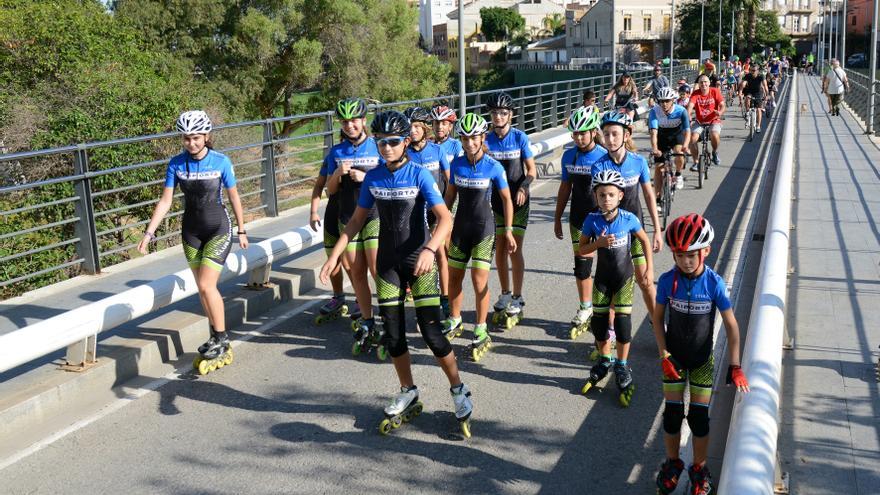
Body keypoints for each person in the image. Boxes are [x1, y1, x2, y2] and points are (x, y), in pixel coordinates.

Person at [319, 110, 474, 437]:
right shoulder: (373, 178)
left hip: (419, 261)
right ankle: (408, 390)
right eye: (381, 142)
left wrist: (431, 250)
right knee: (393, 336)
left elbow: (445, 219)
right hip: (388, 265)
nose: (386, 148)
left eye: (392, 142)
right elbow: (357, 220)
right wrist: (334, 256)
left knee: (432, 334)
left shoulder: (419, 175)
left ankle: (458, 389)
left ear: (405, 141)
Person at [138, 111, 248, 374]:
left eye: (196, 137)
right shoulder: (176, 164)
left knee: (207, 285)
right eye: (186, 138)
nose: (192, 143)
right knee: (202, 289)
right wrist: (149, 233)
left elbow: (234, 197)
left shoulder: (221, 162)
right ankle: (214, 334)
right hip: (191, 232)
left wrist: (242, 230)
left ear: (207, 136)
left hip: (218, 228)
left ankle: (222, 338)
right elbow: (165, 201)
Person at [652, 214, 750, 495]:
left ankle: (699, 468)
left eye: (691, 255)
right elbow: (657, 319)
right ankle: (672, 464)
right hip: (674, 359)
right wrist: (663, 355)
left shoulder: (714, 283)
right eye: (680, 255)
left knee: (698, 419)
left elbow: (731, 325)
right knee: (671, 415)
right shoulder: (668, 280)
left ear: (706, 251)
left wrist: (735, 365)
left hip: (702, 361)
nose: (685, 261)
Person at [442, 113, 517, 360]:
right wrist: (443, 223)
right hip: (460, 229)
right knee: (454, 278)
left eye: (474, 138)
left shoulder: (493, 166)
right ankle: (455, 319)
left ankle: (481, 327)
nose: (470, 143)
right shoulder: (456, 164)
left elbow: (506, 200)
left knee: (478, 280)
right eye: (465, 138)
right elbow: (450, 196)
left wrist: (507, 230)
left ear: (482, 137)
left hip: (484, 230)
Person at [578, 169, 653, 406]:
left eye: (611, 194)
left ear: (620, 195)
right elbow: (581, 250)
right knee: (599, 324)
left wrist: (649, 269)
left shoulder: (629, 219)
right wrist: (597, 243)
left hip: (623, 278)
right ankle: (604, 359)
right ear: (596, 196)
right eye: (601, 195)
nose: (606, 199)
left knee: (622, 324)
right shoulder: (591, 220)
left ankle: (621, 364)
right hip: (601, 278)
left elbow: (644, 240)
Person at [592, 111, 663, 338]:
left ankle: (658, 325)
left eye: (615, 134)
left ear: (626, 134)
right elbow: (597, 204)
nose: (610, 139)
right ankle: (611, 329)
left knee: (645, 282)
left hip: (636, 230)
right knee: (614, 283)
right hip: (612, 235)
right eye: (606, 135)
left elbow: (649, 196)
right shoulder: (598, 165)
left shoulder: (638, 162)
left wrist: (657, 230)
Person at [324, 97, 381, 337]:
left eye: (354, 120)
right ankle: (368, 320)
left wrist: (364, 177)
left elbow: (389, 179)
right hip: (347, 217)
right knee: (356, 272)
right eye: (345, 122)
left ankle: (390, 317)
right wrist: (337, 173)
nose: (350, 126)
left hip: (374, 215)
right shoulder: (336, 151)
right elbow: (330, 190)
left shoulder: (379, 146)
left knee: (377, 270)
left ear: (363, 121)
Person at [553, 106, 606, 340]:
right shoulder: (569, 156)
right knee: (582, 266)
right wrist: (557, 218)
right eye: (575, 133)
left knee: (607, 269)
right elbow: (565, 188)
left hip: (603, 220)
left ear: (594, 132)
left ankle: (607, 314)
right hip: (578, 219)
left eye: (583, 133)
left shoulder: (604, 156)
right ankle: (586, 307)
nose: (578, 137)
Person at [484, 91, 537, 327]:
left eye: (503, 113)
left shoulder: (519, 138)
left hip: (518, 201)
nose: (498, 116)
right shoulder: (485, 140)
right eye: (495, 112)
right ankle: (505, 293)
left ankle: (517, 296)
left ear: (511, 115)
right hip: (495, 203)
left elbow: (531, 170)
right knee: (500, 250)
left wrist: (524, 186)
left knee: (514, 249)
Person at [405, 106, 452, 316]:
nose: (412, 130)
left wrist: (450, 212)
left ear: (425, 128)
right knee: (414, 251)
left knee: (441, 253)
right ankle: (416, 289)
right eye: (409, 127)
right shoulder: (403, 153)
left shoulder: (437, 150)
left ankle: (446, 297)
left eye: (416, 126)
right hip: (414, 213)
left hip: (436, 210)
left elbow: (450, 181)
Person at [648, 87, 691, 193]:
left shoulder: (681, 111)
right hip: (661, 136)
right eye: (661, 101)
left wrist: (685, 145)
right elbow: (653, 132)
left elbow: (687, 131)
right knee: (658, 167)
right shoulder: (654, 111)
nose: (664, 104)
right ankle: (658, 200)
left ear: (673, 100)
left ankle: (678, 174)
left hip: (676, 134)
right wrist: (654, 149)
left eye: (667, 101)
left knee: (679, 153)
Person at [687, 74, 726, 169]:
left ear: (709, 83)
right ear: (699, 84)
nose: (703, 84)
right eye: (701, 82)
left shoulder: (715, 91)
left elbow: (722, 105)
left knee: (714, 134)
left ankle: (714, 152)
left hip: (714, 120)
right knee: (692, 139)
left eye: (705, 82)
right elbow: (690, 106)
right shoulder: (695, 93)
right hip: (700, 121)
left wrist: (720, 113)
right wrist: (688, 116)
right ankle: (696, 162)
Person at [739, 64, 769, 132]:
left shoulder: (761, 76)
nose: (752, 72)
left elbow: (765, 85)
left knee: (758, 109)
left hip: (758, 92)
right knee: (747, 98)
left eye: (753, 70)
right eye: (751, 70)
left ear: (757, 71)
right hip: (750, 92)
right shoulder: (748, 75)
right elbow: (743, 84)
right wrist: (740, 93)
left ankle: (758, 126)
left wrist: (767, 95)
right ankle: (747, 112)